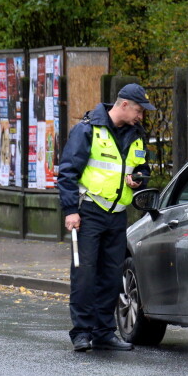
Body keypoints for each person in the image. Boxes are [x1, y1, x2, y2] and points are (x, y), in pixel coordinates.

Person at [57, 83, 155, 352]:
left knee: (111, 276)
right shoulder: (88, 129)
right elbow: (67, 172)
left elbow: (143, 168)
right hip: (88, 211)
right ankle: (81, 332)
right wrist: (70, 211)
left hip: (117, 215)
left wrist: (139, 179)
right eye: (138, 110)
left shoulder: (137, 136)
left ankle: (104, 332)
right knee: (85, 275)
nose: (141, 116)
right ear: (123, 105)